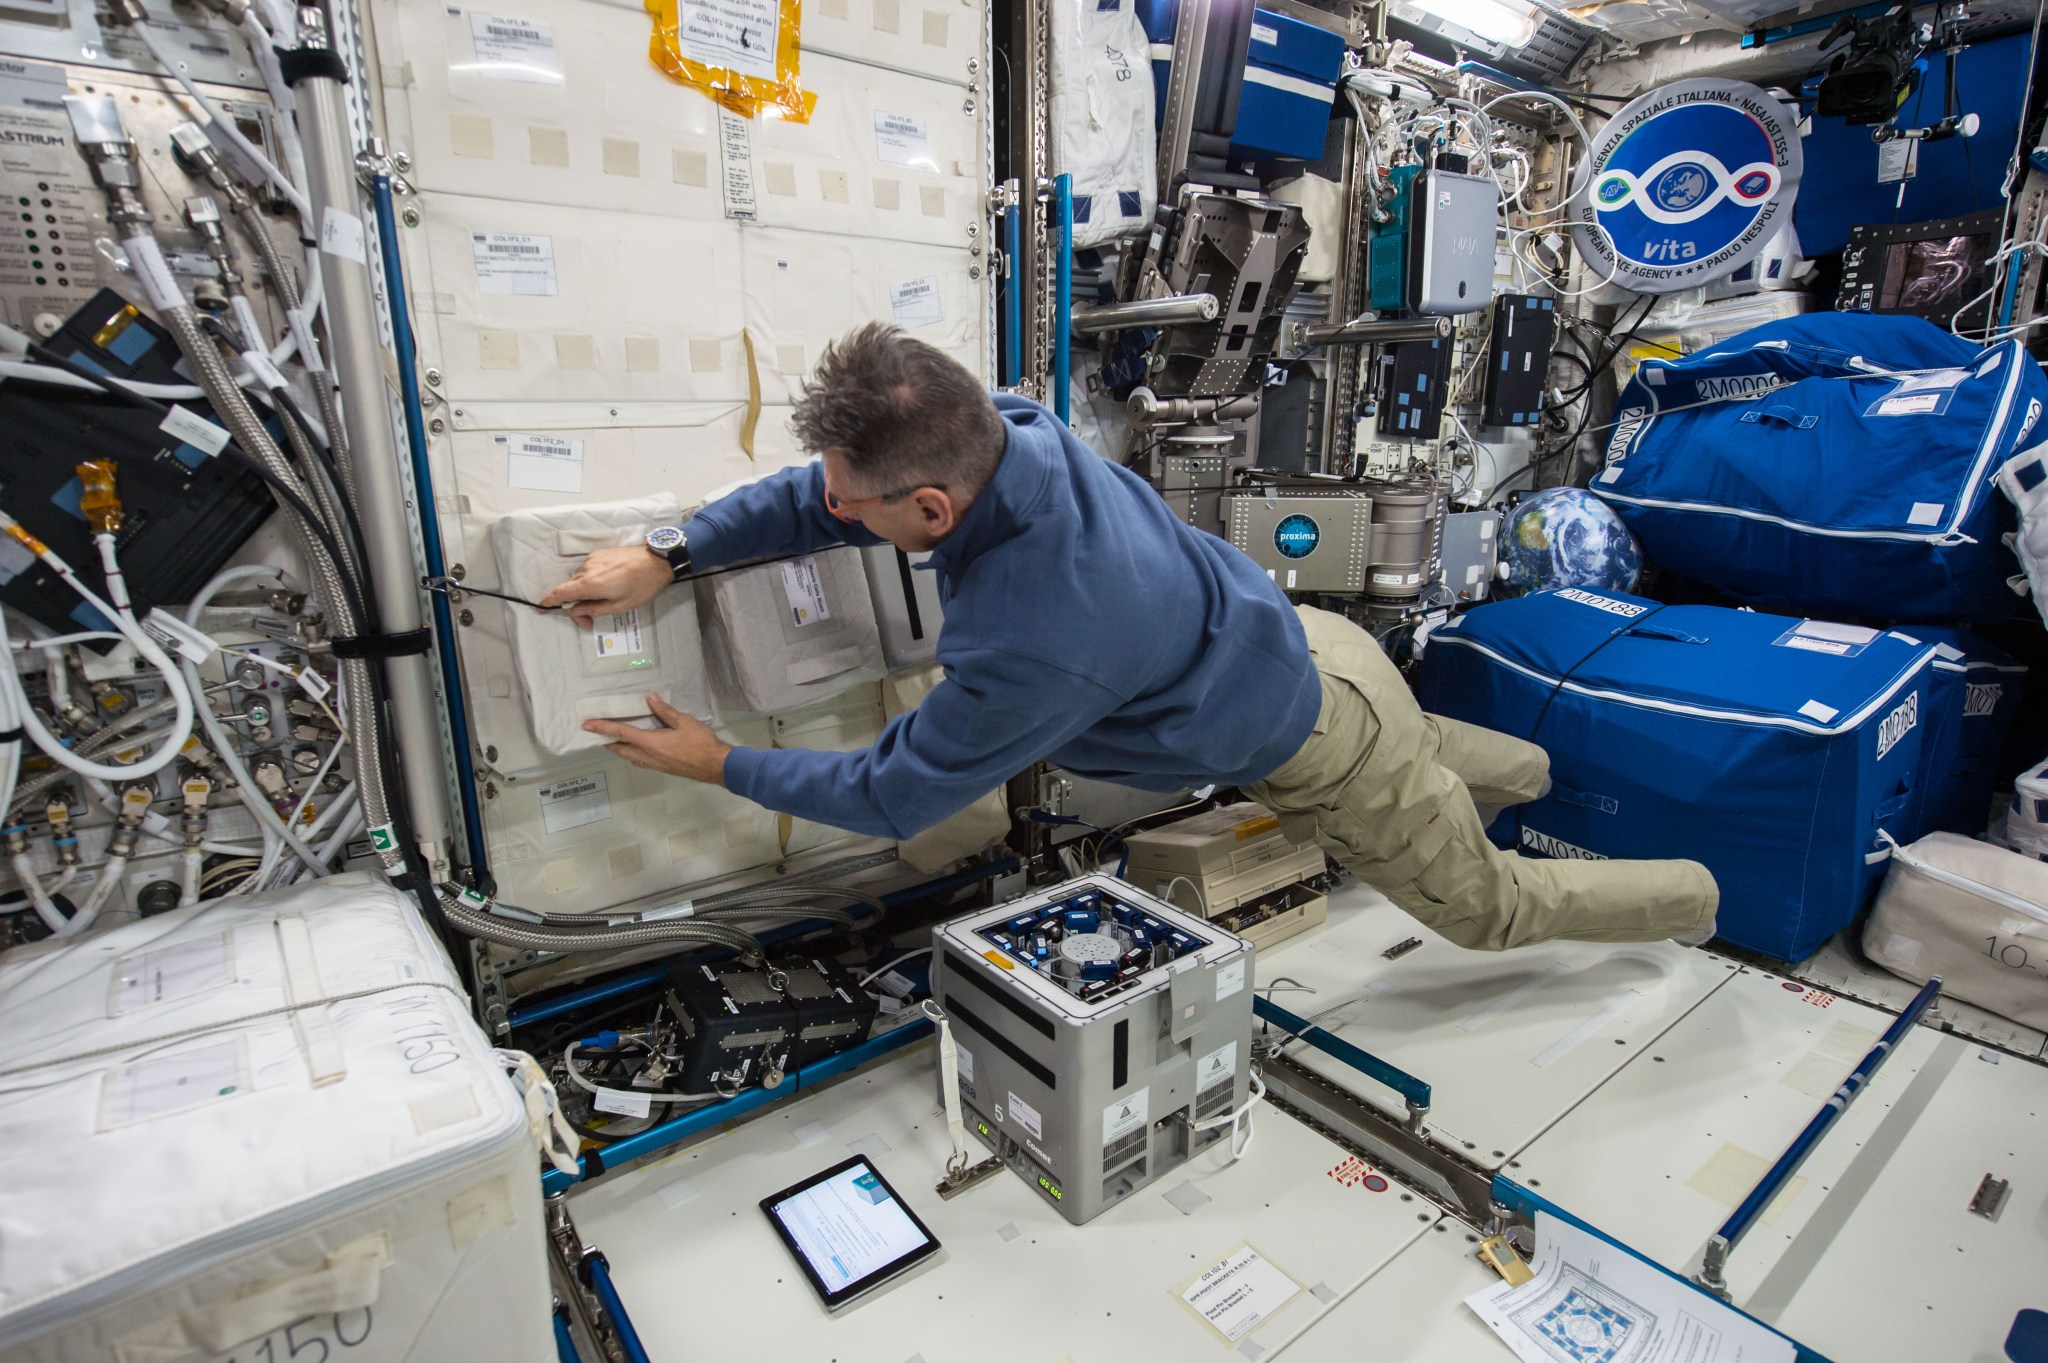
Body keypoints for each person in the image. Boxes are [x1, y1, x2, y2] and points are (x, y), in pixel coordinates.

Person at [539, 324, 1717, 952]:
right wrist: (674, 550)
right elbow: (827, 493)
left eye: (859, 507)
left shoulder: (1039, 632)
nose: (832, 512)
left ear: (932, 510)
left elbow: (892, 792)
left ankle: (1694, 895)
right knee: (1425, 748)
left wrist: (721, 763)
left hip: (1319, 741)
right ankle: (1538, 778)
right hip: (1317, 652)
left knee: (1485, 911)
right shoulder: (1006, 423)